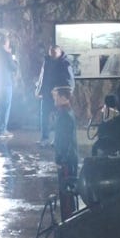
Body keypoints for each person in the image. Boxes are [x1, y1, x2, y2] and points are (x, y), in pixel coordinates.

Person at [35, 44, 75, 145]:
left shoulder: (65, 63)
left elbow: (69, 81)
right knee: (44, 116)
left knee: (59, 117)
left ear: (59, 52)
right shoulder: (47, 61)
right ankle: (45, 138)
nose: (52, 56)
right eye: (51, 53)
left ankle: (57, 139)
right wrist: (39, 89)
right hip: (47, 93)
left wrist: (66, 95)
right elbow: (42, 76)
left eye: (54, 54)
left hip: (59, 95)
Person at [51, 87, 80, 222]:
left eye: (56, 97)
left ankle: (69, 221)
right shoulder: (66, 113)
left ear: (64, 98)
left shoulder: (64, 116)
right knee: (67, 192)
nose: (54, 99)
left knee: (66, 193)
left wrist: (61, 160)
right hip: (69, 158)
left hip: (66, 161)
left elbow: (65, 140)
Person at [0, 32, 18, 140]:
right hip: (6, 83)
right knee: (6, 106)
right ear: (6, 43)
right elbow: (13, 67)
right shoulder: (7, 54)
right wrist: (13, 59)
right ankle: (2, 130)